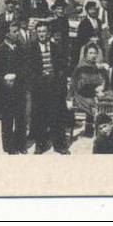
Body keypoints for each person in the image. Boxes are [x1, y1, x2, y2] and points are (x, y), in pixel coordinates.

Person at [26, 21, 70, 154]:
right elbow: (29, 69)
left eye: (44, 31)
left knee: (57, 115)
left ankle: (59, 144)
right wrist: (39, 77)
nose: (41, 35)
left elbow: (62, 66)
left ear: (48, 32)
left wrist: (59, 81)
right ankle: (41, 144)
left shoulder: (56, 47)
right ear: (36, 33)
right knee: (40, 116)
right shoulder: (31, 48)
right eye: (39, 32)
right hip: (39, 87)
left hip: (54, 86)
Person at [0, 21, 29, 154]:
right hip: (6, 93)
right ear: (7, 34)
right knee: (7, 120)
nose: (17, 33)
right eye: (14, 31)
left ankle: (21, 144)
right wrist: (4, 80)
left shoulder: (20, 48)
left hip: (19, 89)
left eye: (18, 30)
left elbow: (25, 66)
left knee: (21, 118)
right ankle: (8, 146)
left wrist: (18, 76)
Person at [69, 42, 109, 137]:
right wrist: (96, 91)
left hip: (92, 93)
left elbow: (103, 80)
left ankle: (102, 128)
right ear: (86, 54)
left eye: (94, 53)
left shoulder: (95, 66)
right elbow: (80, 85)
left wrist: (102, 87)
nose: (93, 55)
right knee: (93, 103)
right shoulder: (81, 66)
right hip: (81, 94)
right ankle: (91, 129)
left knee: (108, 99)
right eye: (90, 53)